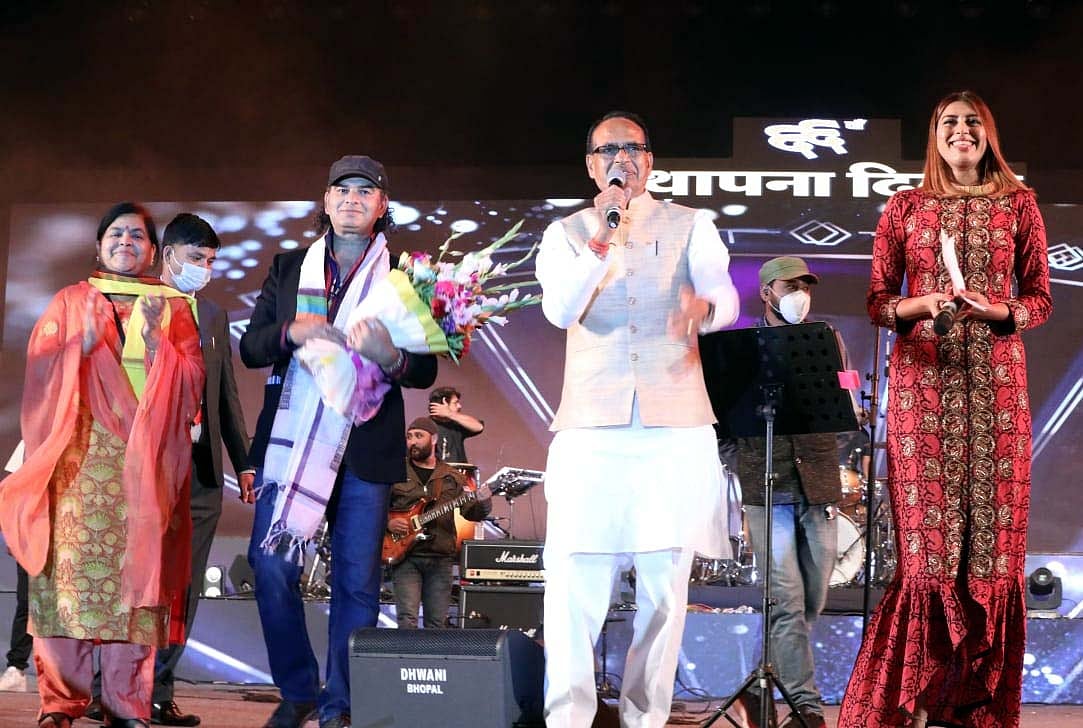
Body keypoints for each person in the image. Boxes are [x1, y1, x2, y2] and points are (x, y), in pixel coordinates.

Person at [838, 91, 1052, 728]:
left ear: (988, 134)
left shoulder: (1021, 203)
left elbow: (1039, 298)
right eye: (949, 123)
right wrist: (922, 304)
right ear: (935, 136)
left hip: (996, 392)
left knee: (989, 553)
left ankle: (976, 709)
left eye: (972, 123)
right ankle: (916, 704)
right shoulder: (904, 206)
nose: (961, 132)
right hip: (921, 390)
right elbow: (879, 301)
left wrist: (997, 311)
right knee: (929, 556)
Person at [535, 110, 740, 727]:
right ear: (591, 164)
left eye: (632, 148)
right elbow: (559, 308)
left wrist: (706, 310)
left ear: (649, 161)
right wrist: (604, 239)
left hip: (672, 428)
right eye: (607, 150)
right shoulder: (565, 232)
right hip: (591, 430)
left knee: (662, 591)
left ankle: (643, 718)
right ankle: (567, 718)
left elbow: (723, 293)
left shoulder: (692, 225)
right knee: (574, 584)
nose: (620, 159)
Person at [240, 155, 437, 728]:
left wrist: (390, 357)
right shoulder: (287, 269)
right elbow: (252, 348)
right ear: (325, 202)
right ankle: (299, 688)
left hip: (367, 447)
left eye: (365, 191)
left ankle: (341, 704)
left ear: (381, 206)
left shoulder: (405, 275)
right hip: (294, 441)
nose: (352, 199)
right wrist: (289, 332)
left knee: (356, 583)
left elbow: (422, 372)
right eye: (341, 190)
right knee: (270, 563)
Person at [0, 202, 205, 728]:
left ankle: (125, 704)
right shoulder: (70, 301)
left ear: (153, 251)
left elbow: (193, 381)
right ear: (98, 246)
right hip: (76, 464)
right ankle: (61, 703)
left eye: (137, 236)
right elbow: (40, 372)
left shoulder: (174, 307)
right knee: (66, 586)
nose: (125, 242)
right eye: (115, 234)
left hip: (144, 468)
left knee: (136, 588)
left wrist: (162, 340)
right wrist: (78, 346)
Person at [731, 256, 851, 728]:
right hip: (767, 486)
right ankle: (807, 707)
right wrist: (734, 459)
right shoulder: (742, 347)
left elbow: (845, 395)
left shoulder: (829, 339)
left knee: (812, 599)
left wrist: (848, 405)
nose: (800, 291)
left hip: (818, 481)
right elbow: (722, 411)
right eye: (790, 284)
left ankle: (756, 692)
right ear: (767, 293)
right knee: (786, 600)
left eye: (806, 284)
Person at [148, 213, 255, 726]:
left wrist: (245, 464)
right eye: (197, 259)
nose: (205, 269)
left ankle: (158, 690)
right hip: (147, 469)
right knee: (141, 582)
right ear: (168, 255)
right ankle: (113, 685)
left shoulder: (213, 315)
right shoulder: (137, 304)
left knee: (185, 587)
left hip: (202, 473)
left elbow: (227, 398)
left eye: (211, 262)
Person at [387, 417, 491, 628]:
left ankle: (431, 662)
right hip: (406, 556)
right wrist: (387, 523)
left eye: (418, 436)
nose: (412, 442)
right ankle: (406, 661)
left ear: (433, 439)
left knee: (437, 623)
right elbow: (376, 506)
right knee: (407, 619)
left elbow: (471, 513)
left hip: (440, 558)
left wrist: (484, 501)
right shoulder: (395, 471)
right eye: (409, 437)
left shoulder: (452, 477)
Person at [427, 385, 484, 463]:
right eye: (455, 403)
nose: (459, 406)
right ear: (444, 403)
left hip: (459, 474)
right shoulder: (425, 427)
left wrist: (450, 414)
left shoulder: (455, 425)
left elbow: (479, 427)